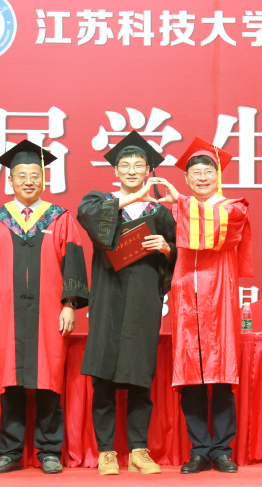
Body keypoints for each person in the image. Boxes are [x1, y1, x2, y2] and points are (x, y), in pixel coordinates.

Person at [0, 140, 89, 474]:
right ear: (10, 180)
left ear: (44, 179)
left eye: (35, 175)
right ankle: (10, 452)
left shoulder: (60, 218)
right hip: (5, 312)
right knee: (10, 381)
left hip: (49, 313)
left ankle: (49, 451)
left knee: (48, 378)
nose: (29, 181)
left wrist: (69, 304)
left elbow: (72, 263)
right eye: (22, 175)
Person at [77, 131, 177, 475]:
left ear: (149, 171)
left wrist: (166, 249)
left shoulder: (160, 213)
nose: (132, 170)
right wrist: (129, 198)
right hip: (107, 297)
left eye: (138, 165)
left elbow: (174, 259)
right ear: (116, 170)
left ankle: (138, 449)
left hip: (143, 300)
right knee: (103, 376)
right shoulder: (99, 201)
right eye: (125, 165)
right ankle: (106, 451)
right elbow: (88, 218)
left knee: (139, 376)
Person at [153, 137, 252, 474]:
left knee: (221, 375)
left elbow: (213, 229)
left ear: (218, 175)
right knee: (191, 377)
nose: (202, 177)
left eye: (208, 171)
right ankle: (199, 450)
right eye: (195, 172)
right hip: (185, 298)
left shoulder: (234, 208)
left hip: (219, 297)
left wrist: (179, 201)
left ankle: (222, 450)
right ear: (186, 178)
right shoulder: (175, 210)